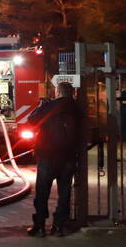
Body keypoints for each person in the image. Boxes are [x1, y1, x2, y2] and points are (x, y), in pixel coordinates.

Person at [27, 81, 86, 237]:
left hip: (47, 155)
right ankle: (59, 225)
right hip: (68, 156)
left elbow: (31, 120)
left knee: (42, 192)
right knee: (65, 192)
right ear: (72, 93)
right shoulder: (78, 109)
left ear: (58, 92)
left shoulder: (49, 106)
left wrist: (41, 105)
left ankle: (39, 225)